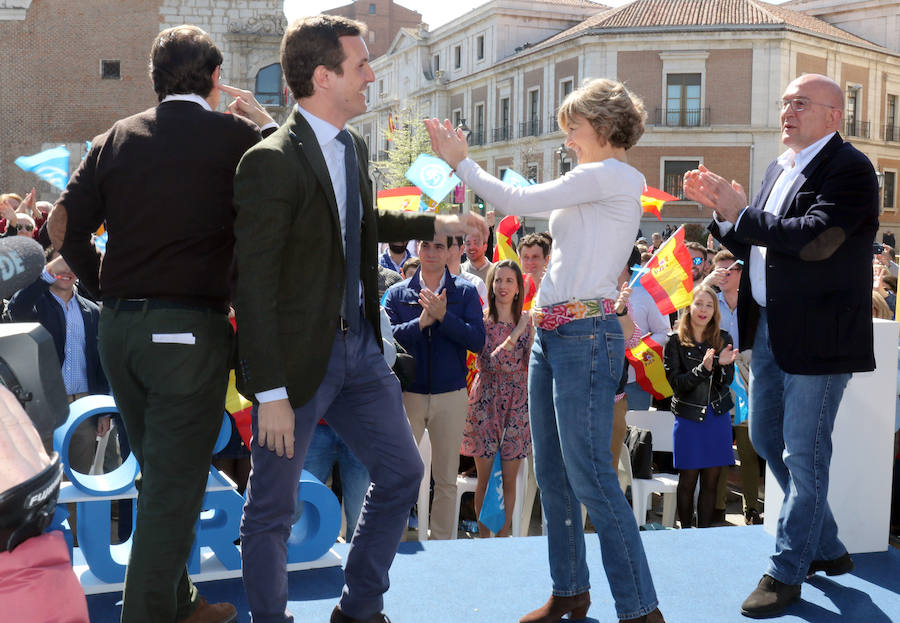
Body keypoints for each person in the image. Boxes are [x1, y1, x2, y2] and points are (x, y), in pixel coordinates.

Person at [232, 15, 484, 623]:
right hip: (293, 370)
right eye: (362, 65)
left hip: (363, 355)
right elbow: (254, 286)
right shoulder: (267, 162)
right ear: (324, 76)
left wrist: (437, 223)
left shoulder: (352, 145)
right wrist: (266, 391)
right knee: (271, 508)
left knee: (403, 474)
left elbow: (366, 224)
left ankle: (359, 607)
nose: (372, 75)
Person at [48, 24, 276, 623]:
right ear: (215, 79)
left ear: (154, 79)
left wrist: (102, 286)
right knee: (174, 484)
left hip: (121, 333)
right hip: (186, 334)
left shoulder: (118, 137)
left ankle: (177, 600)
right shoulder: (235, 136)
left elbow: (63, 224)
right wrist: (268, 124)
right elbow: (292, 180)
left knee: (162, 475)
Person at [426, 77, 664, 623]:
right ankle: (570, 592)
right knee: (553, 475)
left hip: (585, 338)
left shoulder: (610, 173)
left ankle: (641, 610)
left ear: (603, 126)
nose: (568, 139)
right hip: (555, 335)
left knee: (592, 479)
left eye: (572, 127)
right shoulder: (600, 176)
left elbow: (517, 200)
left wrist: (463, 162)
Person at [683, 73, 879, 617]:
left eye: (800, 103)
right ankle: (829, 545)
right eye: (785, 102)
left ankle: (787, 570)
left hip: (820, 337)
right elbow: (756, 237)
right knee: (769, 440)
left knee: (804, 454)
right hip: (768, 328)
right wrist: (724, 217)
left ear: (833, 115)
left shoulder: (852, 169)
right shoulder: (777, 167)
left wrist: (742, 212)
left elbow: (815, 239)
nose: (787, 111)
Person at [383, 236, 485, 539]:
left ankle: (442, 545)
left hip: (451, 395)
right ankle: (395, 542)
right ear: (418, 249)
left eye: (439, 246)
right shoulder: (397, 292)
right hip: (407, 395)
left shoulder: (465, 292)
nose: (431, 252)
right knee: (400, 475)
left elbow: (477, 341)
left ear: (452, 251)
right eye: (426, 245)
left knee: (446, 479)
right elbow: (385, 341)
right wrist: (421, 323)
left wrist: (444, 317)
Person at [461, 259, 532, 537]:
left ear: (518, 288)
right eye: (498, 280)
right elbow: (490, 363)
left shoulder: (527, 322)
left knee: (509, 480)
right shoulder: (481, 321)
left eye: (509, 281)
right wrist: (515, 333)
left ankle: (503, 542)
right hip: (486, 402)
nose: (502, 286)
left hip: (517, 403)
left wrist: (529, 332)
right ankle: (484, 540)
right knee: (486, 479)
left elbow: (528, 363)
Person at [663, 285, 737, 528]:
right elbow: (677, 383)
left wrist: (723, 366)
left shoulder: (723, 338)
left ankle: (704, 534)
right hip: (688, 418)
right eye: (699, 304)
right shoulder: (674, 341)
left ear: (715, 310)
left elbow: (726, 383)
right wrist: (704, 368)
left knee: (711, 483)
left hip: (717, 417)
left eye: (709, 305)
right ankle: (686, 531)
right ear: (689, 307)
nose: (703, 310)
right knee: (687, 481)